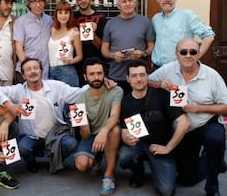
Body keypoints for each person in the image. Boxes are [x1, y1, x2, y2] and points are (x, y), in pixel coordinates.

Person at [148, 38, 227, 196]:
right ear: (176, 54)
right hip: (183, 131)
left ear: (199, 54)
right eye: (183, 52)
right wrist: (160, 84)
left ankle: (212, 185)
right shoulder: (168, 69)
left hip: (205, 124)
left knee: (215, 139)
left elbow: (225, 107)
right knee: (187, 179)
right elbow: (148, 81)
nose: (188, 55)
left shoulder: (212, 76)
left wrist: (200, 108)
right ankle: (216, 161)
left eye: (193, 52)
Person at [0, 58, 89, 173]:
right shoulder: (19, 90)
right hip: (30, 136)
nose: (33, 71)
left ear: (41, 71)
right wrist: (9, 105)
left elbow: (80, 93)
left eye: (36, 68)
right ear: (24, 75)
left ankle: (55, 160)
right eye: (28, 69)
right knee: (22, 147)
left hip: (54, 135)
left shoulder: (56, 86)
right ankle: (31, 162)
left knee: (71, 143)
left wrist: (101, 81)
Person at [119, 59, 189, 196]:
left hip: (160, 146)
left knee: (166, 191)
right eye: (134, 76)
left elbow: (184, 123)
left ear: (147, 76)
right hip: (139, 144)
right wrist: (126, 138)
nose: (138, 79)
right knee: (124, 156)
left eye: (142, 75)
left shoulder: (162, 95)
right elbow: (123, 129)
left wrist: (168, 147)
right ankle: (138, 170)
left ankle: (161, 167)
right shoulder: (125, 102)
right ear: (127, 78)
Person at [73, 57, 123, 196]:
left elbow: (114, 116)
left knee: (115, 129)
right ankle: (96, 161)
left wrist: (104, 131)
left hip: (109, 131)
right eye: (92, 74)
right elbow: (85, 135)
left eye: (99, 73)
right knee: (82, 165)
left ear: (104, 74)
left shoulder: (116, 91)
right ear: (85, 76)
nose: (96, 77)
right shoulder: (79, 99)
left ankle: (109, 175)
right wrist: (84, 124)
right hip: (91, 135)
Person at [101, 0, 155, 95]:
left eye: (130, 0)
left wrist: (143, 53)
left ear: (135, 2)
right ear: (118, 5)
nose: (128, 4)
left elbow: (151, 46)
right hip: (116, 75)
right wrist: (113, 56)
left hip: (139, 77)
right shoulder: (110, 24)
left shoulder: (145, 22)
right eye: (124, 1)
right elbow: (104, 50)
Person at [151, 0, 215, 69]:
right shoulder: (156, 19)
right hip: (157, 69)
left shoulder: (187, 16)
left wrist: (195, 58)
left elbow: (209, 36)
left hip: (180, 69)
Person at [13, 0, 53, 80]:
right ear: (29, 4)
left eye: (41, 1)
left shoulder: (49, 20)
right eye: (34, 1)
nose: (38, 5)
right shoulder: (21, 22)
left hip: (45, 72)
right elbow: (18, 49)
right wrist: (27, 68)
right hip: (26, 72)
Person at [74, 0, 108, 86]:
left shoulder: (101, 18)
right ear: (76, 0)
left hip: (96, 66)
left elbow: (101, 46)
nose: (83, 0)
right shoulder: (71, 17)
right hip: (76, 67)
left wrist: (92, 34)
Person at [48, 0, 82, 87]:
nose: (63, 16)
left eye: (66, 12)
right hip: (51, 71)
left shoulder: (74, 32)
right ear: (56, 14)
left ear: (70, 15)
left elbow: (79, 56)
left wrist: (71, 60)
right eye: (60, 12)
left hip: (66, 71)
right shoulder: (52, 29)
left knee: (67, 100)